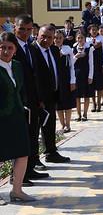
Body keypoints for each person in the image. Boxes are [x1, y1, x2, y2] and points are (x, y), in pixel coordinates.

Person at [0, 32, 36, 203]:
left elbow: (21, 90)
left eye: (10, 48)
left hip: (17, 116)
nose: (6, 51)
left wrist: (24, 105)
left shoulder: (17, 66)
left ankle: (17, 190)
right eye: (2, 47)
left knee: (22, 153)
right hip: (1, 117)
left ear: (15, 50)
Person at [12, 14, 46, 183]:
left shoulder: (31, 47)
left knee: (32, 135)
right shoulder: (10, 48)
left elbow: (35, 75)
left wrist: (39, 98)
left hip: (33, 100)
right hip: (18, 102)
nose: (25, 32)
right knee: (20, 138)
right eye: (21, 29)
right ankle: (17, 176)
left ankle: (30, 169)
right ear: (14, 28)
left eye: (28, 29)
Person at [31, 25, 70, 163]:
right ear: (37, 35)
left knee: (50, 125)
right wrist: (37, 98)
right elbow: (31, 77)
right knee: (35, 130)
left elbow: (56, 71)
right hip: (38, 98)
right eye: (43, 36)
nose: (46, 40)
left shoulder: (53, 50)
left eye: (50, 37)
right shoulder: (31, 50)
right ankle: (34, 159)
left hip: (52, 95)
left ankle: (51, 152)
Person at [53, 30, 75, 133]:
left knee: (67, 103)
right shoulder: (50, 49)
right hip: (56, 81)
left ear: (63, 39)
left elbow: (72, 67)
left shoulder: (68, 49)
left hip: (66, 79)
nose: (57, 40)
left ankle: (68, 124)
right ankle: (62, 125)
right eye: (56, 38)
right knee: (58, 104)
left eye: (60, 38)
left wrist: (72, 81)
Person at [73, 31, 94, 122]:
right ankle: (78, 114)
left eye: (81, 38)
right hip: (76, 74)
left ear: (85, 38)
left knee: (86, 95)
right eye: (78, 38)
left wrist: (90, 76)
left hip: (86, 73)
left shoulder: (89, 48)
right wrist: (76, 56)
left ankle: (85, 114)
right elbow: (71, 63)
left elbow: (91, 63)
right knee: (77, 96)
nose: (80, 40)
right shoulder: (73, 48)